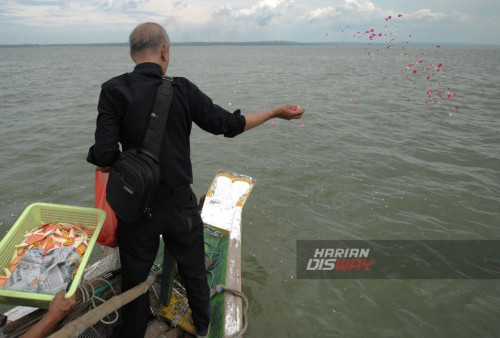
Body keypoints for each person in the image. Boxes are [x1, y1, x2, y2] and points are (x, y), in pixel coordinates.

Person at [87, 22, 304, 337]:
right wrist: (273, 113)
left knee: (133, 282)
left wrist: (119, 159)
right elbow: (228, 124)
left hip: (137, 209)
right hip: (179, 205)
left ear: (133, 53)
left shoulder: (113, 90)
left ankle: (133, 331)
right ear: (165, 51)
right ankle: (203, 329)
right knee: (194, 275)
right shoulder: (182, 89)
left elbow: (104, 155)